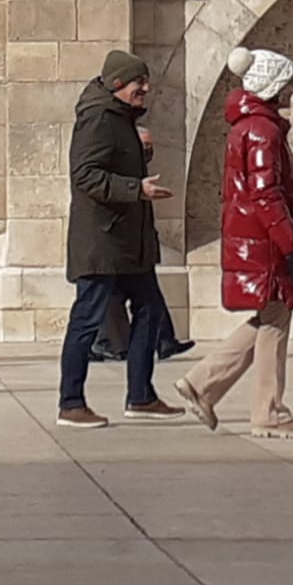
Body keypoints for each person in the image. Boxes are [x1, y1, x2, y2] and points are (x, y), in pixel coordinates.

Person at [176, 46, 293, 440]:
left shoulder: (252, 127)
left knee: (271, 316)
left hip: (257, 239)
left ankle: (202, 384)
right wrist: (291, 246)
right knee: (275, 318)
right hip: (266, 243)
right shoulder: (262, 129)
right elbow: (266, 194)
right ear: (272, 86)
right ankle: (268, 412)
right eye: (287, 81)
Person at [56, 50, 184, 428]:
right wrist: (136, 188)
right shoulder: (98, 118)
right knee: (87, 318)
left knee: (150, 311)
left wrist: (140, 153)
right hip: (103, 241)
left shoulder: (121, 118)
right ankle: (71, 402)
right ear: (117, 85)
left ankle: (141, 396)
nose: (145, 89)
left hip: (130, 242)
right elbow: (85, 175)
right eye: (137, 84)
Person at [91, 123, 197, 366]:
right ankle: (109, 345)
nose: (149, 151)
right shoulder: (119, 174)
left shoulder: (136, 173)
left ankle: (162, 340)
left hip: (135, 245)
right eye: (145, 146)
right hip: (117, 246)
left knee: (144, 294)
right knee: (102, 298)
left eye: (151, 146)